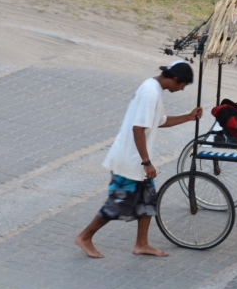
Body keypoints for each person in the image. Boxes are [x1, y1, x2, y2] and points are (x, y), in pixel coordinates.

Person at [75, 60, 203, 259]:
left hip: (138, 161)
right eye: (183, 85)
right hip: (129, 160)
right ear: (175, 79)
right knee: (117, 204)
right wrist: (146, 162)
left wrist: (188, 117)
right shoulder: (150, 93)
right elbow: (138, 128)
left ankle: (142, 244)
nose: (182, 89)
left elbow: (159, 121)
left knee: (147, 200)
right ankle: (85, 236)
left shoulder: (155, 89)